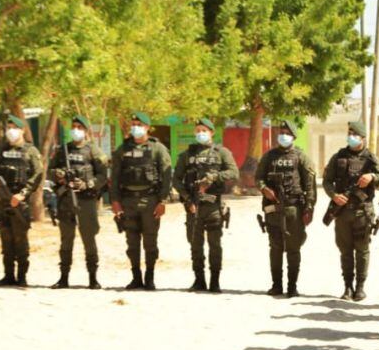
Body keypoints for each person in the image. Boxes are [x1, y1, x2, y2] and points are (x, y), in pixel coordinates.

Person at [322, 120, 379, 302]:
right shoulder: (339, 157)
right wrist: (334, 195)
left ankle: (360, 287)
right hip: (342, 212)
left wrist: (372, 177)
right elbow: (327, 181)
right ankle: (347, 287)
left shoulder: (371, 159)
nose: (351, 137)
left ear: (363, 138)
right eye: (349, 134)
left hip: (363, 212)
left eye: (355, 134)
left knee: (362, 250)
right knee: (345, 251)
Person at [173, 118, 238, 293]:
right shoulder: (187, 155)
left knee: (215, 245)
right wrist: (187, 198)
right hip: (193, 205)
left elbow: (233, 172)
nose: (200, 133)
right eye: (198, 130)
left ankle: (215, 281)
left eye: (204, 130)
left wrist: (213, 177)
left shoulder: (221, 152)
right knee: (195, 245)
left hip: (213, 205)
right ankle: (199, 280)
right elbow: (176, 179)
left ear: (211, 132)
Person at [109, 112, 171, 291]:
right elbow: (114, 176)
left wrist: (163, 201)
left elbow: (167, 176)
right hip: (128, 201)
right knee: (132, 242)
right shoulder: (123, 149)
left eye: (139, 124)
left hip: (150, 200)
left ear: (147, 127)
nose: (135, 127)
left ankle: (149, 276)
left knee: (150, 241)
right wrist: (115, 201)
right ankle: (136, 277)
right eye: (133, 124)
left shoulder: (157, 148)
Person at [255, 120, 316, 298]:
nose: (283, 135)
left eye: (287, 133)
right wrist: (264, 188)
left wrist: (309, 207)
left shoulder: (301, 157)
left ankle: (292, 286)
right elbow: (258, 177)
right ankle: (276, 285)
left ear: (294, 137)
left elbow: (310, 185)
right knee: (275, 247)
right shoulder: (269, 156)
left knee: (293, 248)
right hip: (273, 208)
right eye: (281, 132)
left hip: (293, 208)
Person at [50, 115, 109, 290]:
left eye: (79, 127)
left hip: (85, 200)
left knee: (89, 239)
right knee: (66, 240)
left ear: (85, 131)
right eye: (73, 126)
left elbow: (103, 176)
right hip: (66, 199)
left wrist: (87, 184)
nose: (76, 130)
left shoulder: (94, 151)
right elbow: (50, 170)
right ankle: (63, 278)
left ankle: (93, 278)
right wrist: (59, 174)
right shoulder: (63, 150)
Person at [0, 114, 43, 287]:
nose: (10, 131)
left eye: (14, 127)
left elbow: (38, 174)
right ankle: (8, 275)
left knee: (20, 241)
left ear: (22, 130)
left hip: (19, 201)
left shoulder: (30, 151)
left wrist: (23, 194)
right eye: (8, 127)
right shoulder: (1, 149)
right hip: (2, 201)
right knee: (6, 240)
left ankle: (22, 276)